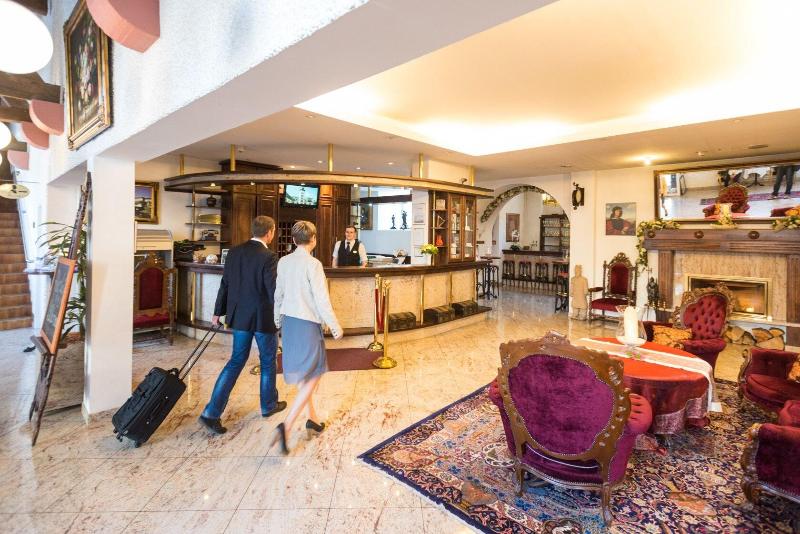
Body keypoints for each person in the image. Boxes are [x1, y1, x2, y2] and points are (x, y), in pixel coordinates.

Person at [198, 216, 285, 434]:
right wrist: (282, 313)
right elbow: (272, 290)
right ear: (270, 232)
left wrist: (217, 312)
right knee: (268, 361)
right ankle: (268, 405)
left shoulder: (234, 252)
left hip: (240, 318)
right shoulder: (269, 256)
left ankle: (211, 412)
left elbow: (225, 284)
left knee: (236, 361)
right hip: (263, 318)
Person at [272, 221, 343, 454]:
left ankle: (312, 419)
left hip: (289, 322)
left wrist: (277, 318)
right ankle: (287, 425)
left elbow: (278, 293)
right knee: (316, 370)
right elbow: (322, 299)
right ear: (314, 239)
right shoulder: (313, 264)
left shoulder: (283, 262)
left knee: (305, 372)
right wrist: (334, 325)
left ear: (293, 240)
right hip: (307, 322)